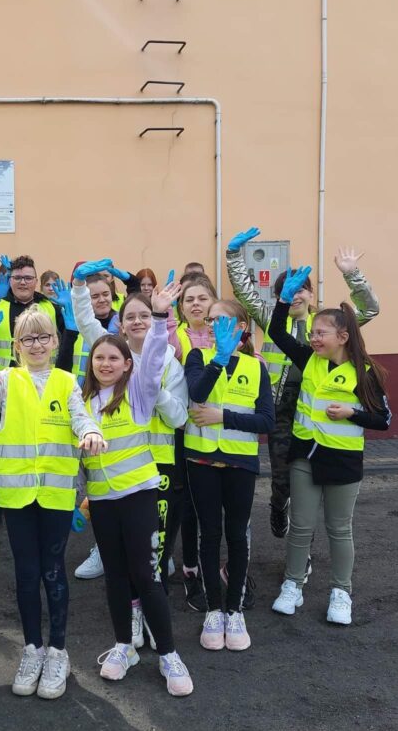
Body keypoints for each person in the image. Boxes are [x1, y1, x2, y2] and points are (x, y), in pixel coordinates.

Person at [0, 301, 104, 700]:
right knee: (26, 573)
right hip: (17, 495)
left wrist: (90, 431)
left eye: (44, 337)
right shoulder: (5, 382)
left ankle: (58, 651)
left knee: (53, 571)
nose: (37, 344)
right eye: (28, 339)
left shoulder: (67, 382)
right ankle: (32, 649)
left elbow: (81, 416)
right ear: (17, 346)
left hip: (56, 494)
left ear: (55, 342)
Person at [226, 228, 381, 540]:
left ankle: (303, 547)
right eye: (288, 290)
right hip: (281, 409)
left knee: (308, 481)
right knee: (283, 477)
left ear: (311, 293)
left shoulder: (326, 324)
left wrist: (352, 274)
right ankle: (278, 503)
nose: (296, 295)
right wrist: (233, 256)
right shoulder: (272, 317)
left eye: (302, 289)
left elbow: (369, 310)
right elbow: (244, 291)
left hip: (316, 410)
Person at [76, 291, 193, 696]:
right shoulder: (82, 401)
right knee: (115, 575)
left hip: (139, 496)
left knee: (145, 574)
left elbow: (155, 358)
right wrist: (78, 496)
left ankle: (169, 654)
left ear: (128, 364)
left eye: (115, 358)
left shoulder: (140, 394)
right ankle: (124, 646)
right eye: (99, 358)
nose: (106, 364)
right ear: (91, 362)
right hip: (102, 500)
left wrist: (159, 318)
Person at [267, 267, 391, 625]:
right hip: (304, 455)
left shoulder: (365, 372)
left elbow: (383, 419)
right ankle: (292, 585)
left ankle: (341, 592)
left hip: (343, 461)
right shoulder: (309, 359)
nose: (313, 338)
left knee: (339, 529)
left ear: (342, 336)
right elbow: (276, 332)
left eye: (320, 333)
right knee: (300, 526)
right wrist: (283, 301)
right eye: (312, 333)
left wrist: (353, 413)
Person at [184, 301, 275, 651]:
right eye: (210, 320)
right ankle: (213, 609)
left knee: (237, 535)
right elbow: (196, 393)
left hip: (240, 463)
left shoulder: (255, 367)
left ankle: (234, 609)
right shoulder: (198, 358)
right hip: (202, 460)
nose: (212, 325)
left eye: (221, 320)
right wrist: (219, 359)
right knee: (209, 534)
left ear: (240, 327)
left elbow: (266, 420)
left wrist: (223, 417)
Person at [165, 275, 221, 611]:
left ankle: (222, 567)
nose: (196, 304)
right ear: (181, 307)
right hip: (186, 431)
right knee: (187, 504)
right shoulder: (176, 336)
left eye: (202, 298)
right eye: (189, 299)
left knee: (218, 508)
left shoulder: (227, 333)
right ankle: (190, 569)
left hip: (223, 432)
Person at [0, 255, 64, 371]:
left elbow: (65, 349)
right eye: (17, 278)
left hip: (44, 379)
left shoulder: (54, 309)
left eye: (28, 278)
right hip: (5, 379)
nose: (23, 282)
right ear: (10, 280)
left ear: (36, 281)